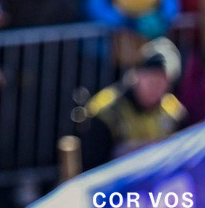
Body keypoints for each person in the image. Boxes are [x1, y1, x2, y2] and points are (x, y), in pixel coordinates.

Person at [76, 39, 186, 169]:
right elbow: (91, 164)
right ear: (137, 75)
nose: (156, 87)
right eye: (151, 79)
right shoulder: (105, 112)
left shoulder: (174, 112)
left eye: (162, 81)